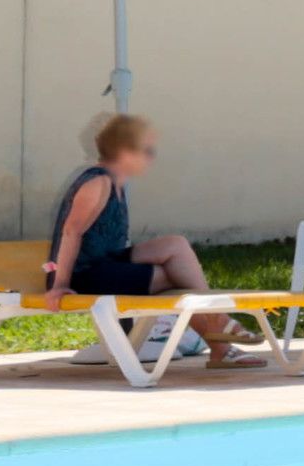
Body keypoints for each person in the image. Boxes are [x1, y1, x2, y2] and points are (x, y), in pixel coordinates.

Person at [45, 115, 244, 364]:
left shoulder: (116, 183)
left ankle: (218, 327)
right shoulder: (98, 182)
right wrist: (59, 285)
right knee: (173, 277)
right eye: (146, 150)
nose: (151, 157)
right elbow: (70, 232)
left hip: (106, 263)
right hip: (83, 276)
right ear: (124, 151)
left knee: (176, 246)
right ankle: (219, 331)